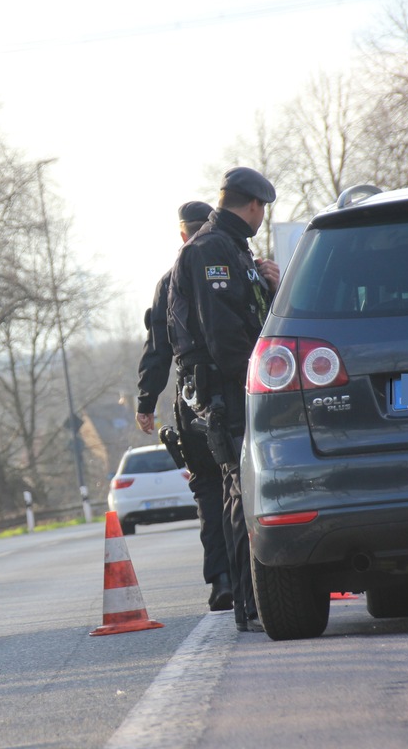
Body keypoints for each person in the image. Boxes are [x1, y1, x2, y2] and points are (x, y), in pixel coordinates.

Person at [167, 168, 280, 633]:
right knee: (238, 489)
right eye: (262, 210)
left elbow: (248, 315)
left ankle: (254, 596)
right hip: (227, 389)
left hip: (238, 385)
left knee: (245, 488)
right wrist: (255, 381)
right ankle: (248, 601)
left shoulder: (234, 248)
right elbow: (224, 335)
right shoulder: (211, 249)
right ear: (252, 205)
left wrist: (271, 287)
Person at [135, 200, 232, 612]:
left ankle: (222, 580)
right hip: (238, 391)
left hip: (193, 399)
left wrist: (145, 401)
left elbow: (158, 348)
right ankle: (252, 576)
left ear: (181, 234)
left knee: (209, 490)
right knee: (240, 485)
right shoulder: (233, 263)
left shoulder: (168, 281)